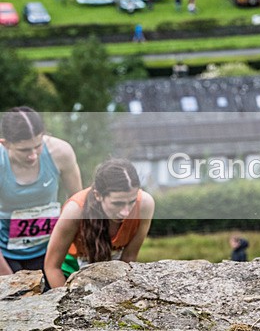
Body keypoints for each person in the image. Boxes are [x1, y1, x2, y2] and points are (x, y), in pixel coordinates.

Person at [43, 159, 155, 289]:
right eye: (117, 203)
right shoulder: (74, 210)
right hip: (70, 272)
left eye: (131, 202)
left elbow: (129, 258)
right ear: (98, 195)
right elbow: (52, 266)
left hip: (112, 271)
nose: (125, 212)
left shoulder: (145, 205)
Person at [0, 107, 82, 276]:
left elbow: (77, 203)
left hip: (51, 248)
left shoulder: (61, 152)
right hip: (5, 253)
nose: (33, 155)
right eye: (24, 150)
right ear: (5, 143)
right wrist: (8, 279)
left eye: (38, 146)